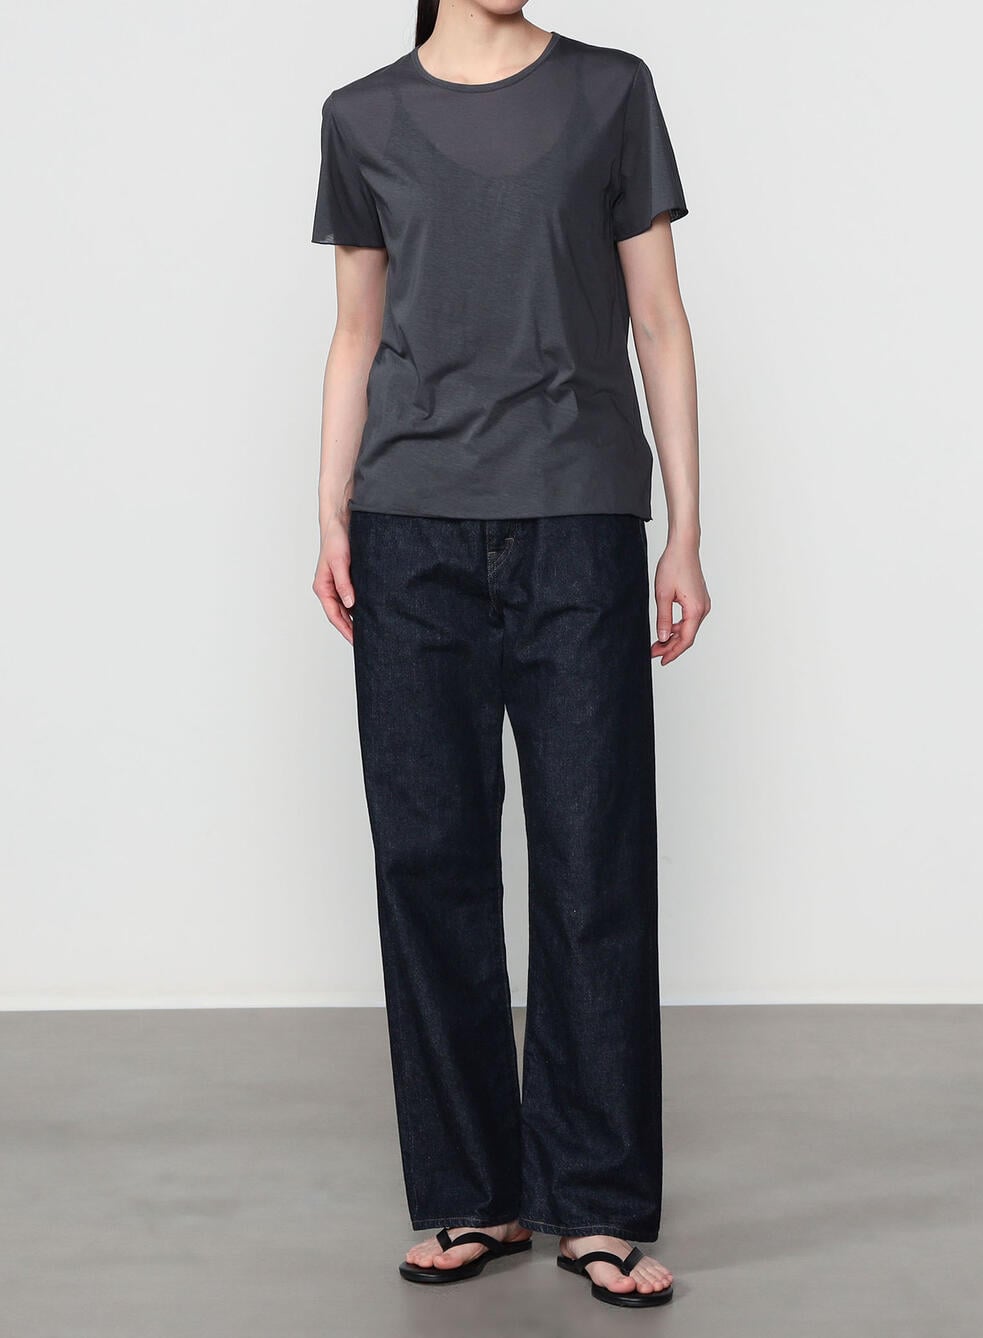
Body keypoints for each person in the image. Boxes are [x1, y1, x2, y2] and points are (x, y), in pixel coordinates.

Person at [310, 1, 710, 1311]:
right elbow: (356, 329)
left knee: (596, 859)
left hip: (578, 520)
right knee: (428, 863)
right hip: (409, 525)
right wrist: (329, 510)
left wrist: (684, 530)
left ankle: (597, 1203)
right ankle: (470, 1192)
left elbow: (658, 317)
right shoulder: (363, 116)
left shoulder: (611, 92)